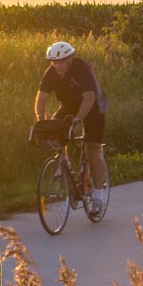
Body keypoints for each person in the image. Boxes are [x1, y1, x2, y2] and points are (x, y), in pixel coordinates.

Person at [34, 41, 109, 212]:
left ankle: (98, 195)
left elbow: (89, 97)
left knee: (92, 149)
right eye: (54, 62)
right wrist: (40, 120)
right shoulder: (51, 73)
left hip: (94, 107)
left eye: (61, 62)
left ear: (69, 60)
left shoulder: (81, 68)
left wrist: (77, 120)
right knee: (54, 130)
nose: (57, 66)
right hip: (68, 106)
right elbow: (41, 99)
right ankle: (62, 161)